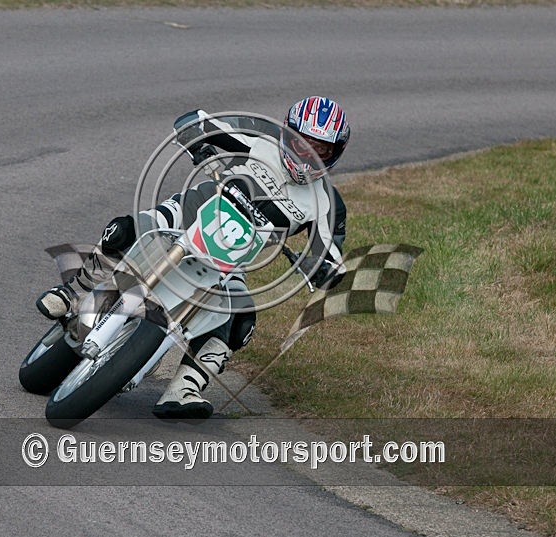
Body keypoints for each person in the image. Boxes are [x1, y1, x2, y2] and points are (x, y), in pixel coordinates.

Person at [36, 96, 351, 419]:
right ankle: (74, 295)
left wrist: (322, 270)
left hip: (232, 262)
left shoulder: (327, 202)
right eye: (302, 143)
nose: (308, 155)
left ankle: (185, 388)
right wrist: (200, 145)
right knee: (123, 231)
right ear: (287, 133)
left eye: (321, 149)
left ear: (334, 154)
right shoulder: (258, 140)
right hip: (185, 217)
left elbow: (331, 251)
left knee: (241, 321)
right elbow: (193, 121)